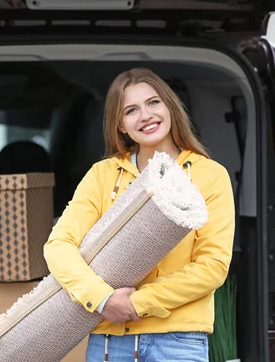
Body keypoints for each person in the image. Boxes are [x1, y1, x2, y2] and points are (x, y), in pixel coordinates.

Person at [44, 68, 235, 361]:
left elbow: (212, 266)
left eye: (153, 103)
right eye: (131, 110)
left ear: (170, 106)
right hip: (109, 341)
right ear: (120, 125)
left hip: (178, 341)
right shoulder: (102, 175)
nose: (145, 115)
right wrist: (102, 299)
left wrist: (137, 303)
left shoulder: (210, 175)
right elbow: (59, 246)